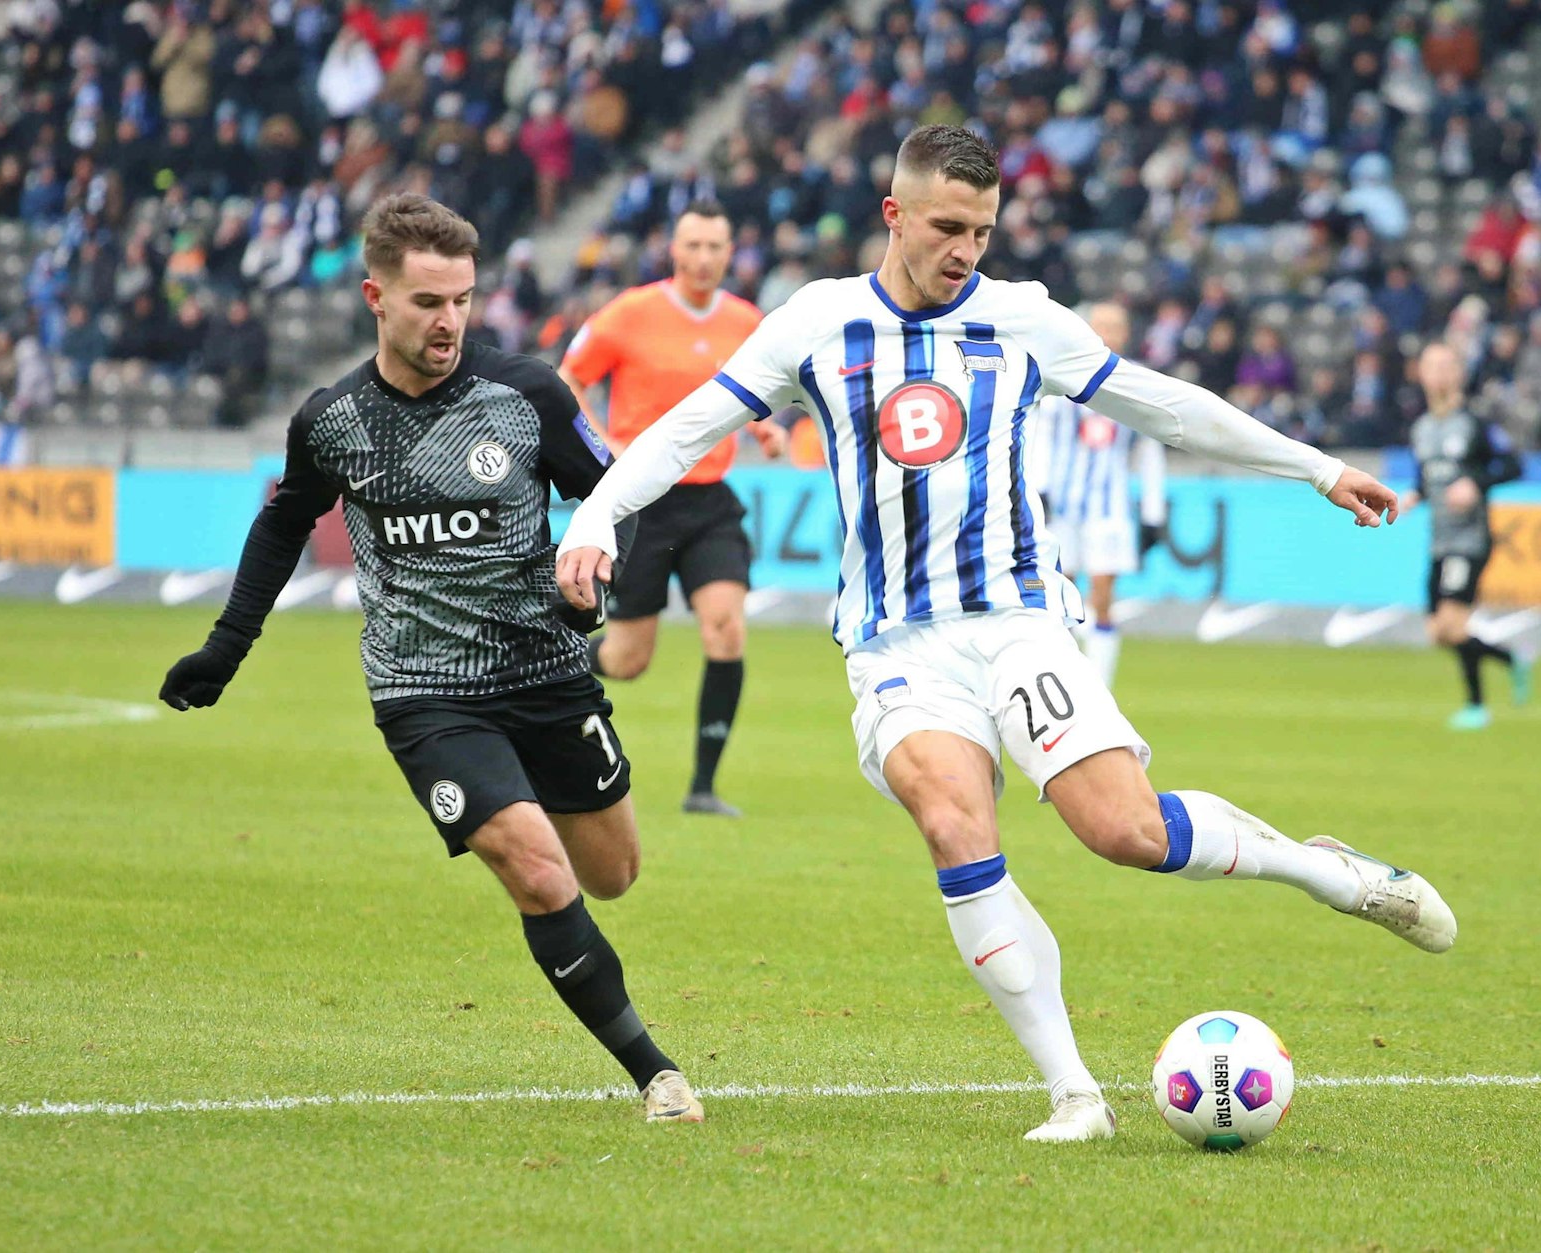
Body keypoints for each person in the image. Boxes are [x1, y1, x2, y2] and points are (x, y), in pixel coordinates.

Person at [555, 126, 1456, 1143]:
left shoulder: (1019, 318)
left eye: (981, 230)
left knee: (1125, 832)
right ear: (893, 214)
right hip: (895, 644)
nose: (964, 250)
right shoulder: (818, 320)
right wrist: (592, 517)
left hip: (1020, 622)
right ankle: (1074, 1091)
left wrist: (1315, 467)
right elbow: (686, 427)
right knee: (954, 822)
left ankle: (1325, 870)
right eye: (946, 227)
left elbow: (1160, 405)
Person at [158, 194, 704, 1124]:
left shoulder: (525, 395)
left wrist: (593, 578)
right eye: (426, 302)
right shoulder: (333, 422)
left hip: (544, 670)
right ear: (376, 296)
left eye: (461, 299)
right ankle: (658, 1076)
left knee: (613, 872)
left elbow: (618, 498)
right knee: (537, 871)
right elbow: (283, 523)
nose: (449, 320)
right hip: (425, 693)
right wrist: (226, 646)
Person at [557, 201, 786, 817]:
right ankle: (544, 665)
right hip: (643, 503)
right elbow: (568, 379)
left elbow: (763, 393)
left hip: (711, 501)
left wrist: (765, 432)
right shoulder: (629, 313)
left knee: (726, 627)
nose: (705, 258)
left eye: (716, 247)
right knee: (628, 660)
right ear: (673, 250)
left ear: (731, 251)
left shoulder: (748, 321)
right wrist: (602, 441)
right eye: (694, 246)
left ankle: (704, 788)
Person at [1032, 301, 1167, 689]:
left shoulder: (1138, 383)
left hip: (1109, 509)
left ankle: (1099, 688)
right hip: (1062, 504)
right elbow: (1041, 437)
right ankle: (1067, 682)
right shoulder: (1062, 381)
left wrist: (1153, 513)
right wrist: (1038, 490)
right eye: (1100, 325)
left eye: (1115, 326)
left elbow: (1150, 451)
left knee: (1103, 594)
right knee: (1063, 594)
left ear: (1126, 333)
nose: (1107, 332)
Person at [1402, 341, 1532, 731]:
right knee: (1437, 633)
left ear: (1458, 373)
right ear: (1421, 374)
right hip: (1439, 540)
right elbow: (1428, 479)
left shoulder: (1475, 422)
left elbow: (1513, 465)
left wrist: (1476, 483)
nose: (1439, 373)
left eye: (1446, 365)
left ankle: (1477, 707)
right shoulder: (1422, 428)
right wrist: (1415, 496)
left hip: (1470, 540)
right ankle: (1510, 659)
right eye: (1431, 365)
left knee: (1452, 627)